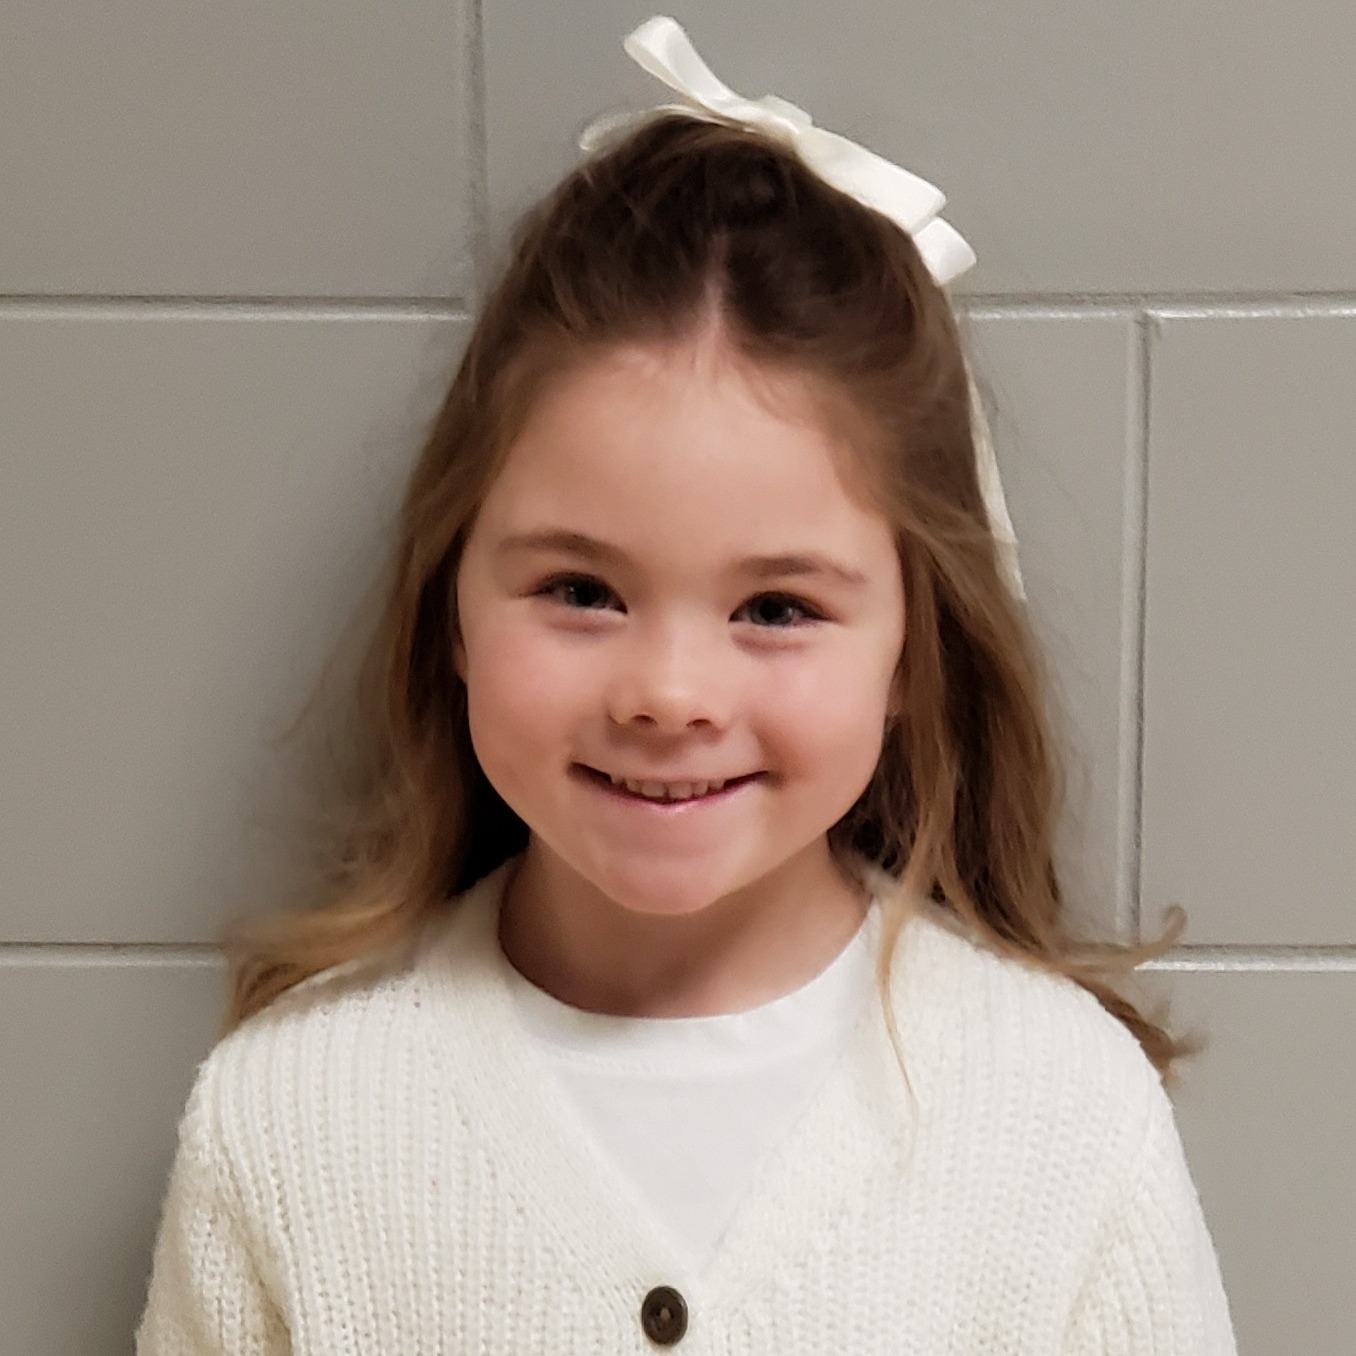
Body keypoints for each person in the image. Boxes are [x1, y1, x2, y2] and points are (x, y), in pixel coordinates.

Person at [134, 17, 1237, 1354]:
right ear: (454, 614)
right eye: (581, 591)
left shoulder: (1064, 1115)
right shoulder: (289, 1120)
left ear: (911, 653)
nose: (668, 692)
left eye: (776, 608)